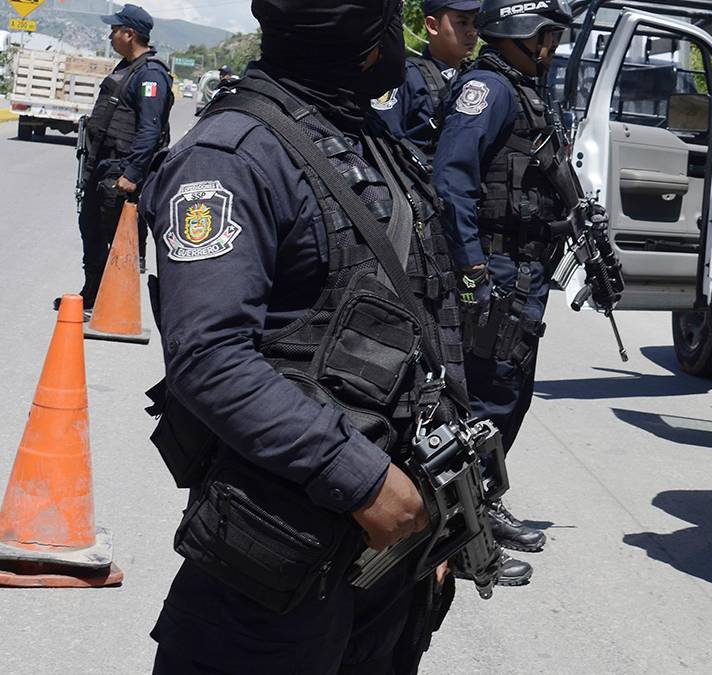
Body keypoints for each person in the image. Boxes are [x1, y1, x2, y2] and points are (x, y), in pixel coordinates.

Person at [141, 1, 467, 670]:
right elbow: (209, 357)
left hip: (386, 552)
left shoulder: (364, 139)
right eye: (390, 21)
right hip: (275, 555)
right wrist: (364, 481)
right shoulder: (230, 156)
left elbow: (423, 321)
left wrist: (438, 514)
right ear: (365, 43)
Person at [433, 0, 581, 585]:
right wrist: (471, 268)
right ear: (520, 34)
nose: (552, 48)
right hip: (495, 266)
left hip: (523, 268)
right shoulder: (488, 90)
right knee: (485, 398)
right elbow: (452, 181)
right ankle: (458, 534)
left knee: (509, 392)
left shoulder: (524, 91)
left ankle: (483, 506)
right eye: (547, 37)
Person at [63, 3, 171, 311]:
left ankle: (119, 306)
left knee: (120, 241)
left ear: (129, 33)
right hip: (103, 167)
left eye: (114, 30)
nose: (110, 35)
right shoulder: (126, 68)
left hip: (122, 171)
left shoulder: (151, 75)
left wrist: (132, 174)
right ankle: (92, 294)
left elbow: (150, 129)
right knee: (92, 230)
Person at [372, 0, 479, 153]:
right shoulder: (405, 78)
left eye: (475, 23)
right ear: (432, 25)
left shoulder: (478, 77)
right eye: (462, 22)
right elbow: (384, 142)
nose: (472, 32)